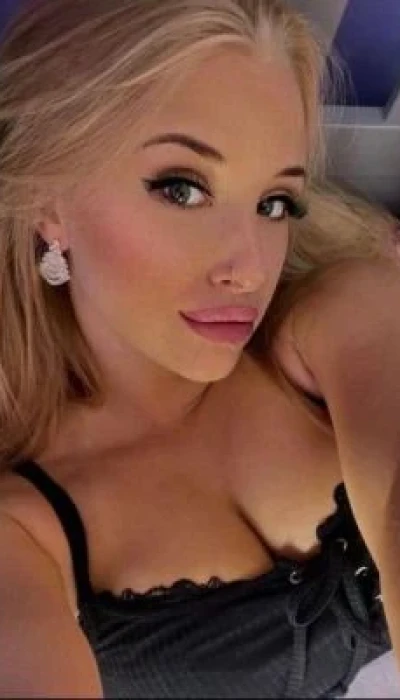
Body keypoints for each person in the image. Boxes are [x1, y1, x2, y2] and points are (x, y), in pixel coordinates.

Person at [0, 0, 400, 697]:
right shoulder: (23, 525)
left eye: (274, 204)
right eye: (182, 190)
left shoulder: (340, 318)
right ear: (48, 203)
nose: (248, 268)